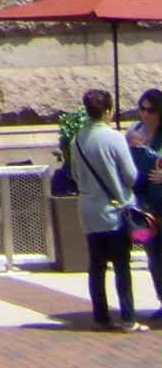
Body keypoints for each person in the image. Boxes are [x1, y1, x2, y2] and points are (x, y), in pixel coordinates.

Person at [73, 86, 145, 331]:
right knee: (121, 266)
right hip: (114, 212)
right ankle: (128, 319)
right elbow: (131, 176)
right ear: (107, 111)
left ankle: (100, 318)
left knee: (96, 267)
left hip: (88, 212)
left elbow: (76, 176)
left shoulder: (77, 139)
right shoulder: (114, 138)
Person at [127, 87, 162, 318]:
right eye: (142, 109)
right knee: (154, 256)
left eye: (151, 110)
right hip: (145, 207)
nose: (146, 114)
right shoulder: (134, 132)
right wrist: (128, 145)